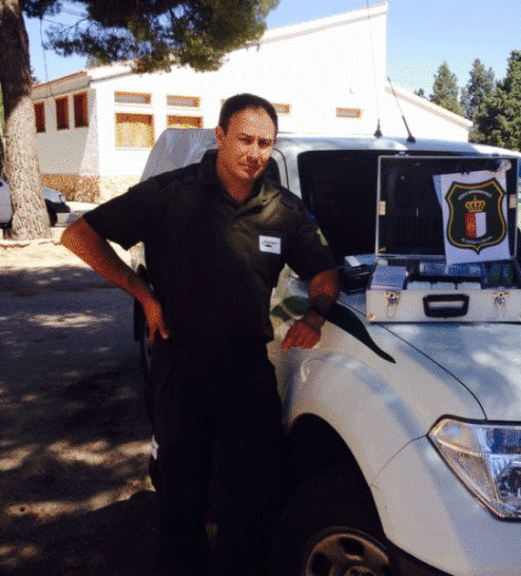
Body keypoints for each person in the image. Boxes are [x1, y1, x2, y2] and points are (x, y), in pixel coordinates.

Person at [61, 93, 338, 575]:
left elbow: (324, 271)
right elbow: (79, 234)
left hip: (249, 375)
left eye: (265, 144)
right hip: (181, 371)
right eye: (246, 140)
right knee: (181, 504)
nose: (255, 153)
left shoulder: (283, 208)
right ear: (220, 136)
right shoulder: (173, 193)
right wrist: (141, 293)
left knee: (251, 505)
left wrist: (314, 315)